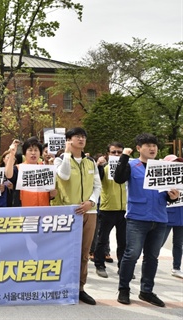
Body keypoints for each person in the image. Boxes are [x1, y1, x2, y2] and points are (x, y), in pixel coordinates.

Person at [113, 133, 179, 307]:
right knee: (132, 254)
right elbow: (118, 178)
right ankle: (124, 289)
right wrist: (124, 156)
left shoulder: (163, 167)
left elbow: (168, 195)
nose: (152, 148)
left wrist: (174, 196)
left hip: (159, 217)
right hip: (137, 218)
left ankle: (146, 291)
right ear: (138, 148)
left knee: (152, 257)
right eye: (148, 145)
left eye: (154, 145)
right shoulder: (132, 165)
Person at [53, 127, 101, 305]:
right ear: (69, 140)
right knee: (65, 250)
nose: (81, 139)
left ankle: (80, 288)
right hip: (68, 212)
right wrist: (66, 154)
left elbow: (97, 186)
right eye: (77, 137)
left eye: (83, 137)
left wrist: (91, 202)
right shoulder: (60, 161)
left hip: (89, 211)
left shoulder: (91, 162)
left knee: (84, 253)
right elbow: (64, 176)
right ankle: (62, 285)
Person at [93, 142, 127, 278]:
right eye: (114, 152)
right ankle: (99, 265)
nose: (117, 155)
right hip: (107, 208)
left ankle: (123, 267)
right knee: (102, 239)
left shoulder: (127, 168)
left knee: (123, 241)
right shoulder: (104, 168)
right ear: (108, 154)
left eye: (120, 152)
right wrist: (98, 165)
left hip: (124, 209)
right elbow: (95, 180)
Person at [5, 137, 56, 207]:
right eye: (30, 150)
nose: (33, 153)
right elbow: (8, 175)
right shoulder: (19, 168)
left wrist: (52, 193)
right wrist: (11, 154)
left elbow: (51, 193)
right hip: (24, 212)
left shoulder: (45, 170)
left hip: (44, 211)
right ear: (25, 153)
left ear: (40, 153)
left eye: (36, 150)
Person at [162, 154, 183, 279]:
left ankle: (176, 267)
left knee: (178, 243)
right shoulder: (162, 180)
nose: (177, 164)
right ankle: (148, 265)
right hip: (167, 215)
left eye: (178, 162)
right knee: (158, 243)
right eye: (174, 162)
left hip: (181, 215)